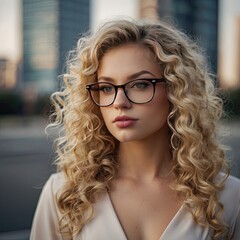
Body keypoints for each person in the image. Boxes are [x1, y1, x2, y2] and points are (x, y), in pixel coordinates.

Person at [30, 18, 240, 240]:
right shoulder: (64, 193)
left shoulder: (228, 197)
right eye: (106, 87)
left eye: (140, 84)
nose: (119, 102)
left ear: (176, 91)